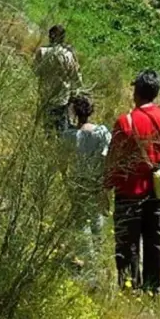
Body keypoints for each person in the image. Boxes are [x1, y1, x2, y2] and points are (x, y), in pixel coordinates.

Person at [104, 70, 160, 293]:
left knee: (127, 243)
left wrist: (106, 185)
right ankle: (154, 287)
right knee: (155, 239)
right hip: (156, 190)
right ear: (156, 92)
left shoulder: (126, 122)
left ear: (136, 92)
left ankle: (130, 287)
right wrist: (159, 156)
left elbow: (114, 160)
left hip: (128, 191)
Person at [64, 93, 113, 235]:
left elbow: (63, 162)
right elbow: (107, 158)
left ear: (73, 111)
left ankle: (86, 254)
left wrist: (66, 179)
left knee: (80, 219)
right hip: (97, 179)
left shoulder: (69, 135)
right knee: (97, 215)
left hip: (76, 180)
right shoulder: (102, 132)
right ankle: (97, 250)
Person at [34, 24, 82, 131]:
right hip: (62, 98)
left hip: (45, 95)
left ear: (50, 36)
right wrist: (75, 92)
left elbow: (36, 72)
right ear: (62, 38)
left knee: (47, 127)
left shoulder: (42, 52)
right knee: (61, 129)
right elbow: (75, 77)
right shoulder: (68, 55)